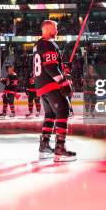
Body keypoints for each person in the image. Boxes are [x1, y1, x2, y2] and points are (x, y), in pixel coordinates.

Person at [33, 20, 76, 162]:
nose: (57, 31)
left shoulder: (38, 45)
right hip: (51, 85)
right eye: (55, 28)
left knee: (50, 114)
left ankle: (44, 146)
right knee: (63, 110)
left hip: (41, 86)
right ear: (47, 28)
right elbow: (50, 67)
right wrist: (63, 81)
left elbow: (50, 64)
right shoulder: (49, 43)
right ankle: (60, 148)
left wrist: (63, 68)